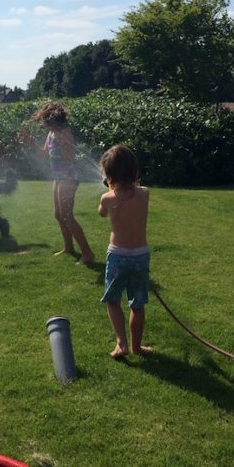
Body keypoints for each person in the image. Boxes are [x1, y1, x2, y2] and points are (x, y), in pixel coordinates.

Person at [98, 144, 152, 358]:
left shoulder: (107, 198)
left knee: (113, 300)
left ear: (109, 174)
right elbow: (136, 189)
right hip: (141, 255)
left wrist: (110, 190)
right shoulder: (145, 194)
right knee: (137, 304)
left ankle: (122, 344)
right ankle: (137, 346)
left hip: (118, 255)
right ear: (135, 171)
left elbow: (102, 213)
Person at [26, 102, 95, 265]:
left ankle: (87, 253)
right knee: (59, 215)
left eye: (45, 121)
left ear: (53, 120)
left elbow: (70, 158)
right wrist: (30, 142)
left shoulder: (64, 133)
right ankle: (68, 248)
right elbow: (43, 154)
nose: (43, 124)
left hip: (68, 178)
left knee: (67, 216)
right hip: (58, 178)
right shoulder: (51, 133)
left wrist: (64, 146)